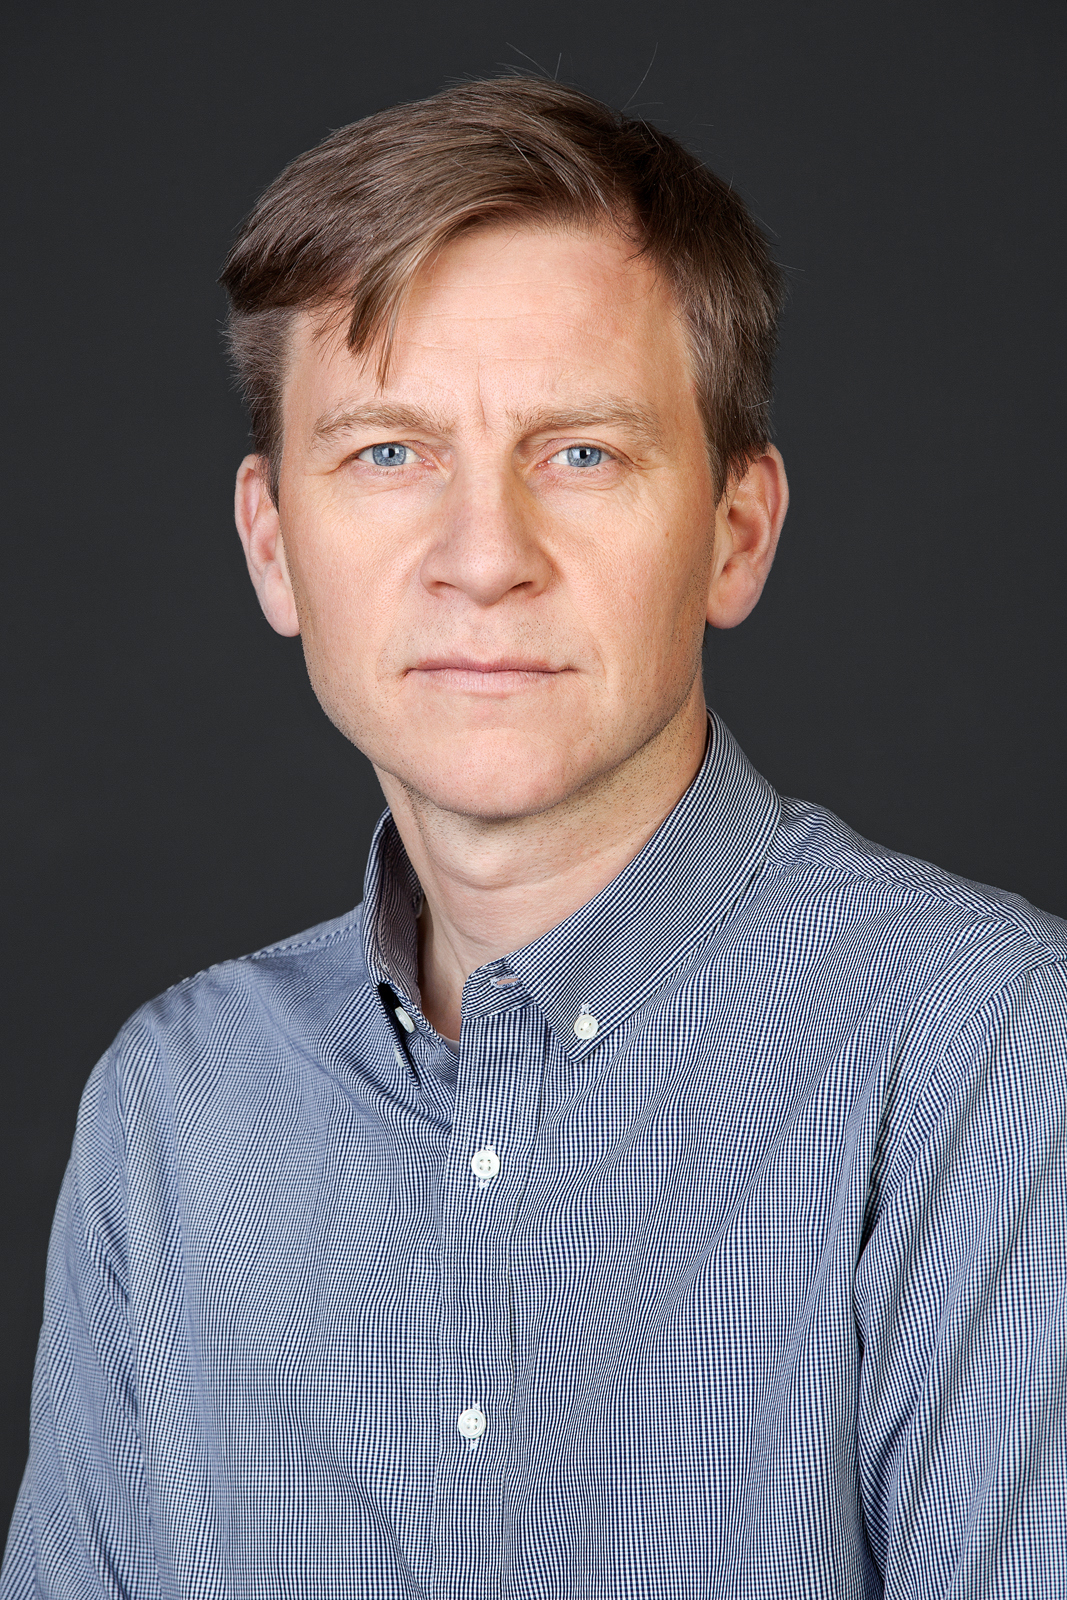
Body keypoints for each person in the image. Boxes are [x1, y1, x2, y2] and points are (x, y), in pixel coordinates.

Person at [3, 74, 1065, 1599]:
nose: (484, 558)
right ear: (272, 545)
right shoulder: (174, 1110)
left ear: (736, 533)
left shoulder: (995, 1053)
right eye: (387, 453)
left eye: (580, 453)